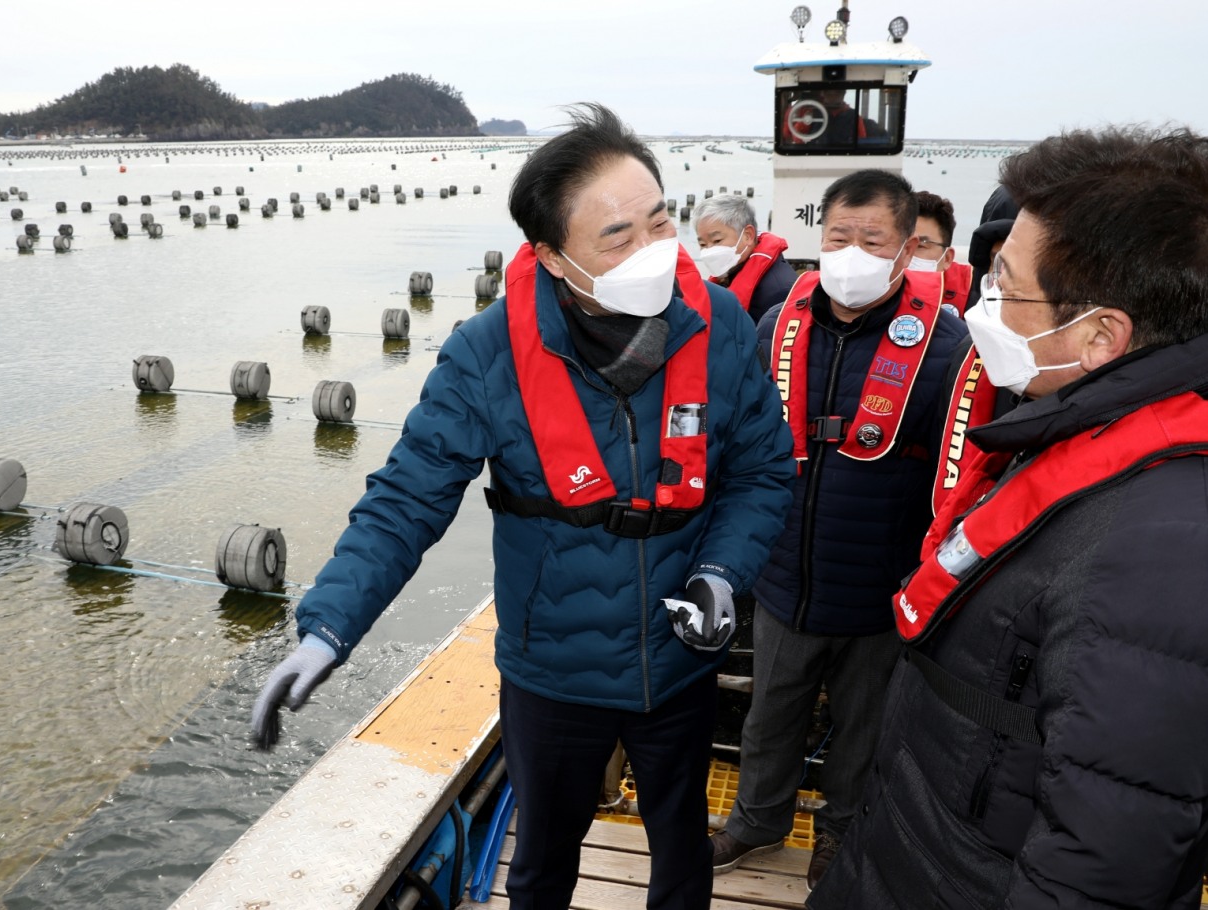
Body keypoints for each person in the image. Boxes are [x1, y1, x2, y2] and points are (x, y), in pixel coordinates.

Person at [251, 103, 796, 910]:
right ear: (550, 256)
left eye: (659, 221)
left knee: (681, 845)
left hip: (679, 660)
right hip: (552, 672)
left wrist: (721, 573)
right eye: (617, 237)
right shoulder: (485, 352)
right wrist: (328, 626)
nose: (651, 250)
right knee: (542, 858)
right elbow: (405, 499)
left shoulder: (717, 326)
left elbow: (763, 472)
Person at [810, 126, 1208, 909]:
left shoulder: (1160, 555)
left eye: (1007, 287)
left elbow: (1102, 859)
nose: (983, 306)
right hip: (914, 848)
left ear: (1101, 335)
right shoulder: (1086, 430)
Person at [709, 169, 968, 891]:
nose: (850, 253)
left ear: (906, 248)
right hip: (786, 572)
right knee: (770, 713)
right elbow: (743, 442)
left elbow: (958, 472)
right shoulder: (776, 326)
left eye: (870, 239)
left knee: (865, 728)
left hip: (881, 587)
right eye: (837, 238)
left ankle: (842, 835)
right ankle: (757, 820)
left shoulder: (945, 346)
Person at [693, 194, 796, 325]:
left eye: (717, 240)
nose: (709, 251)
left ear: (748, 235)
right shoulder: (729, 273)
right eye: (702, 244)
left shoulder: (779, 291)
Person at [909, 190, 973, 315]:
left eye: (920, 246)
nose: (906, 254)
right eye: (901, 245)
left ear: (947, 258)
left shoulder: (974, 294)